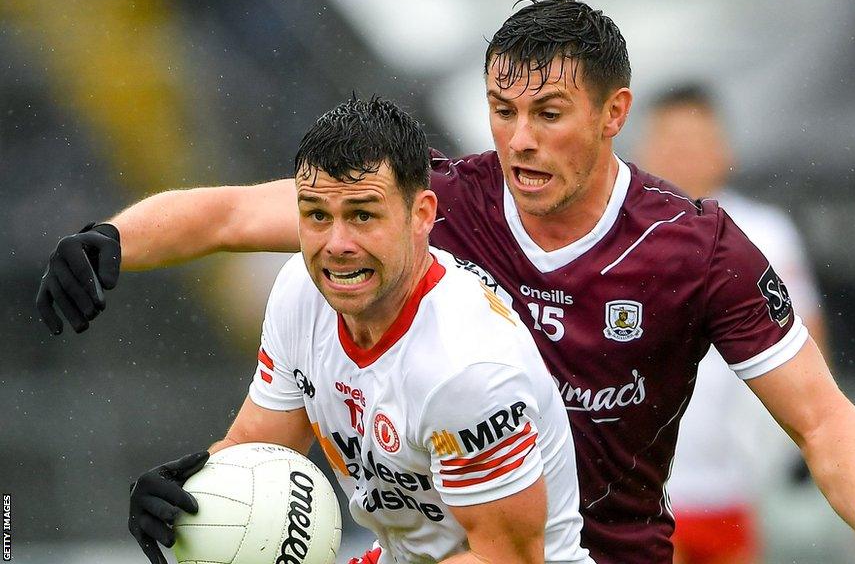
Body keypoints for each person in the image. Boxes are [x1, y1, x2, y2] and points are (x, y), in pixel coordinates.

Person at [38, 0, 855, 564]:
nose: (518, 139)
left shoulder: (697, 248)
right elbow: (234, 215)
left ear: (612, 114)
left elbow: (823, 415)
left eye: (548, 113)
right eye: (503, 110)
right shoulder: (431, 201)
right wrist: (107, 239)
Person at [125, 97, 595, 564]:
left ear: (422, 215)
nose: (337, 245)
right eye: (317, 216)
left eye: (362, 215)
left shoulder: (465, 368)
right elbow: (259, 455)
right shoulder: (300, 293)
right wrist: (189, 501)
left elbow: (507, 560)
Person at [637, 84, 829, 564]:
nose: (684, 157)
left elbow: (807, 337)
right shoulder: (620, 232)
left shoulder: (764, 232)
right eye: (672, 142)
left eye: (697, 142)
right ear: (645, 150)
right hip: (642, 485)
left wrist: (809, 437)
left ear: (724, 151)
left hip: (736, 477)